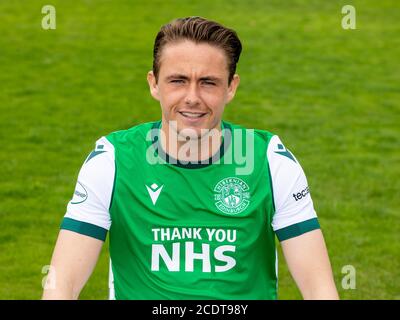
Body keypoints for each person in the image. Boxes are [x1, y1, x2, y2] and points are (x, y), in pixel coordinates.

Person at [42, 16, 339, 300]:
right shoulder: (113, 160)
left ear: (231, 87)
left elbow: (318, 288)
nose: (192, 97)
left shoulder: (270, 161)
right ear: (154, 84)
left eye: (208, 82)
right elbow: (62, 283)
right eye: (178, 81)